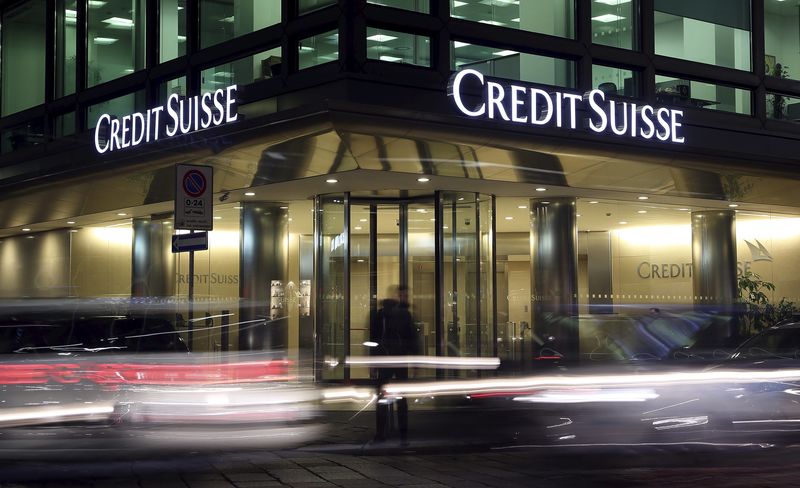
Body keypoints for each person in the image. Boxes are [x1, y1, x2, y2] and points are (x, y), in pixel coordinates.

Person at [370, 284, 418, 443]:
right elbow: (412, 338)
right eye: (403, 295)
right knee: (401, 398)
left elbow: (374, 339)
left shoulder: (381, 314)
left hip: (385, 359)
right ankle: (403, 433)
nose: (405, 298)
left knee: (382, 397)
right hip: (399, 360)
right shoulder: (404, 314)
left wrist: (373, 362)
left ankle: (380, 433)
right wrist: (415, 361)